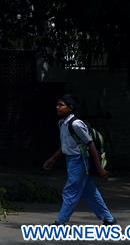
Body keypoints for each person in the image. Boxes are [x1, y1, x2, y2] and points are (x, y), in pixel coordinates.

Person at [43, 94, 116, 225]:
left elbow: (91, 145)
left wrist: (100, 169)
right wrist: (52, 159)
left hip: (80, 160)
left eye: (61, 105)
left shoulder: (76, 124)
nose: (57, 107)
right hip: (71, 160)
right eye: (57, 105)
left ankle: (61, 222)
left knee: (70, 191)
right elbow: (65, 146)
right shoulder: (62, 123)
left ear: (70, 108)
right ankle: (108, 219)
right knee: (90, 192)